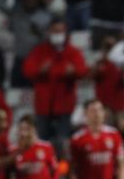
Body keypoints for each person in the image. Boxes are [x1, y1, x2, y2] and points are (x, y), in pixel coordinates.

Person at [23, 18, 88, 154]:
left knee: (63, 143)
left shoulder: (72, 52)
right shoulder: (40, 51)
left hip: (64, 106)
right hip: (44, 106)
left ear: (66, 33)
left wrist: (73, 71)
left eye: (60, 31)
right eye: (55, 31)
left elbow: (82, 70)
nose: (57, 34)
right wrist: (40, 70)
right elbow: (27, 70)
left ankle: (62, 173)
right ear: (49, 32)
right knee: (42, 143)